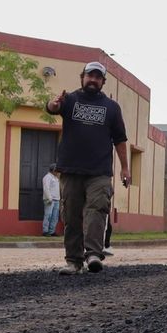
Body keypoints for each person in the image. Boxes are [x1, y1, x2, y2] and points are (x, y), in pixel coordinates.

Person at [45, 61, 130, 274]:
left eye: (97, 77)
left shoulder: (112, 107)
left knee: (97, 210)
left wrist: (125, 168)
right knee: (71, 215)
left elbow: (120, 140)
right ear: (82, 77)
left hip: (99, 172)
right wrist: (54, 104)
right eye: (89, 76)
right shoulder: (70, 100)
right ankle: (73, 261)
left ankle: (93, 254)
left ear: (103, 81)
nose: (93, 80)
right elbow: (52, 108)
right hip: (71, 169)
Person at [40, 164, 61, 237]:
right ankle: (45, 231)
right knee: (48, 215)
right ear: (53, 170)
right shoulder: (47, 177)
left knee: (55, 216)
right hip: (50, 199)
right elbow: (46, 188)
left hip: (57, 199)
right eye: (56, 170)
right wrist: (49, 198)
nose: (58, 172)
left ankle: (52, 231)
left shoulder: (56, 178)